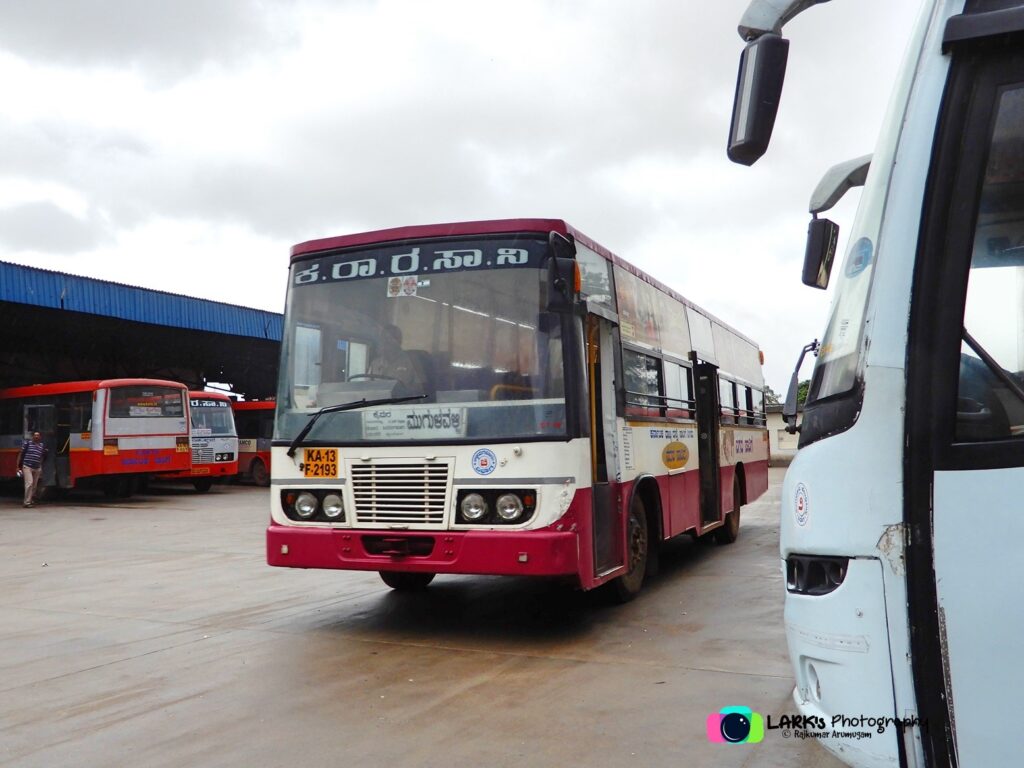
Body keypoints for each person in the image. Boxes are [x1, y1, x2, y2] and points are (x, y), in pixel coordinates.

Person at [367, 325, 427, 393]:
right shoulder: (374, 363)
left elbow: (421, 389)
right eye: (384, 338)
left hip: (403, 399)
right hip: (380, 399)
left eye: (391, 338)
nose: (387, 341)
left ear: (399, 341)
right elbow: (366, 387)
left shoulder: (413, 361)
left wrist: (402, 391)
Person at [17, 431, 48, 508]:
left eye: (38, 435)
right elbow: (20, 454)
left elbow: (43, 456)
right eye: (35, 435)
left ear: (40, 437)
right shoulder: (27, 444)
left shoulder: (42, 446)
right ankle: (26, 502)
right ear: (32, 437)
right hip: (27, 466)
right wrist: (17, 466)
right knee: (29, 483)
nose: (36, 437)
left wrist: (40, 464)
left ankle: (30, 500)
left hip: (37, 468)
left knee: (34, 486)